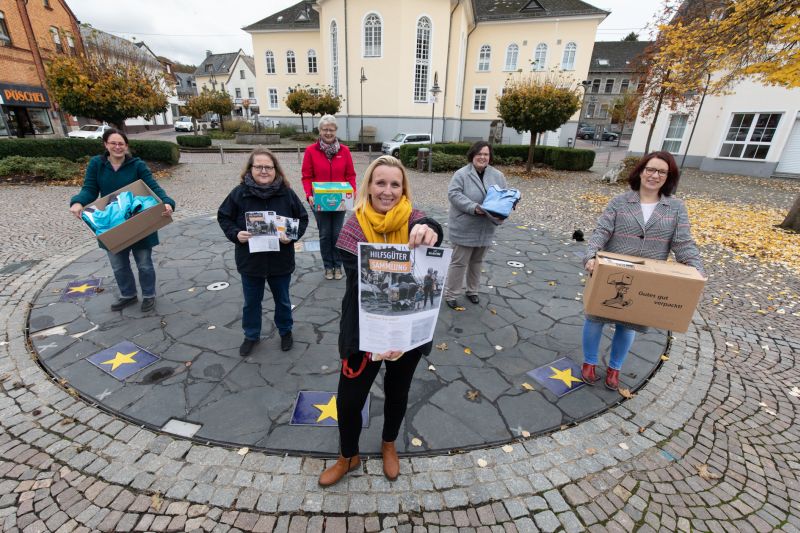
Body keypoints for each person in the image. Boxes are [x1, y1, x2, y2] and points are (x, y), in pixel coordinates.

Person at [318, 155, 442, 487]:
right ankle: (348, 455)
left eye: (395, 184)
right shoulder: (354, 226)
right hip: (365, 329)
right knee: (349, 398)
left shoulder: (414, 219)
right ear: (369, 186)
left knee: (397, 391)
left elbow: (433, 228)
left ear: (403, 189)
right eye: (380, 183)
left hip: (407, 330)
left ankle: (389, 443)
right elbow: (359, 281)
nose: (387, 191)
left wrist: (429, 230)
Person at [581, 151, 705, 390]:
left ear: (668, 177)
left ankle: (615, 368)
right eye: (650, 169)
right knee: (594, 318)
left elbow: (683, 243)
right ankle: (589, 362)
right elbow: (601, 232)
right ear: (640, 171)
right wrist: (590, 256)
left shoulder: (676, 208)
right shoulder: (620, 201)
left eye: (661, 171)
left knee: (627, 324)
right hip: (611, 273)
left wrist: (696, 269)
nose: (654, 175)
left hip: (646, 279)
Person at [69, 128, 175, 313]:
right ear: (106, 145)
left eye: (121, 144)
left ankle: (149, 295)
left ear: (126, 146)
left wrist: (167, 202)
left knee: (144, 264)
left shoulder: (137, 165)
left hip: (139, 221)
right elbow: (89, 189)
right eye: (113, 143)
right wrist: (78, 202)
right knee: (118, 265)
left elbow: (153, 187)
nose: (118, 147)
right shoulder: (97, 164)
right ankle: (128, 294)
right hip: (112, 225)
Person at [217, 149, 309, 357]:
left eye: (268, 167)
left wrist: (292, 235)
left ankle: (285, 331)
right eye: (259, 166)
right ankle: (251, 335)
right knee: (251, 302)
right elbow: (223, 216)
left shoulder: (286, 193)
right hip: (250, 260)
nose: (264, 171)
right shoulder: (239, 193)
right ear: (251, 169)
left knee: (283, 300)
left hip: (280, 260)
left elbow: (302, 218)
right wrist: (235, 234)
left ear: (276, 169)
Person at [444, 141, 507, 309]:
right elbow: (454, 194)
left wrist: (508, 205)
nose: (482, 157)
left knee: (477, 261)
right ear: (472, 155)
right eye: (479, 154)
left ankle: (472, 291)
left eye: (486, 154)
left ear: (490, 157)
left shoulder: (498, 176)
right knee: (459, 262)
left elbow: (503, 196)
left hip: (486, 228)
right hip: (464, 226)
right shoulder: (461, 174)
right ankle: (452, 293)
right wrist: (474, 207)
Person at [301, 114, 357, 281]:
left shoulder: (344, 151)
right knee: (325, 234)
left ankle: (338, 265)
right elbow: (307, 176)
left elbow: (350, 175)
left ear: (335, 131)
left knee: (337, 233)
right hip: (319, 200)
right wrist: (309, 194)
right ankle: (328, 266)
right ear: (320, 131)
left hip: (339, 200)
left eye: (331, 129)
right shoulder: (311, 151)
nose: (328, 133)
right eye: (325, 129)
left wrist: (352, 192)